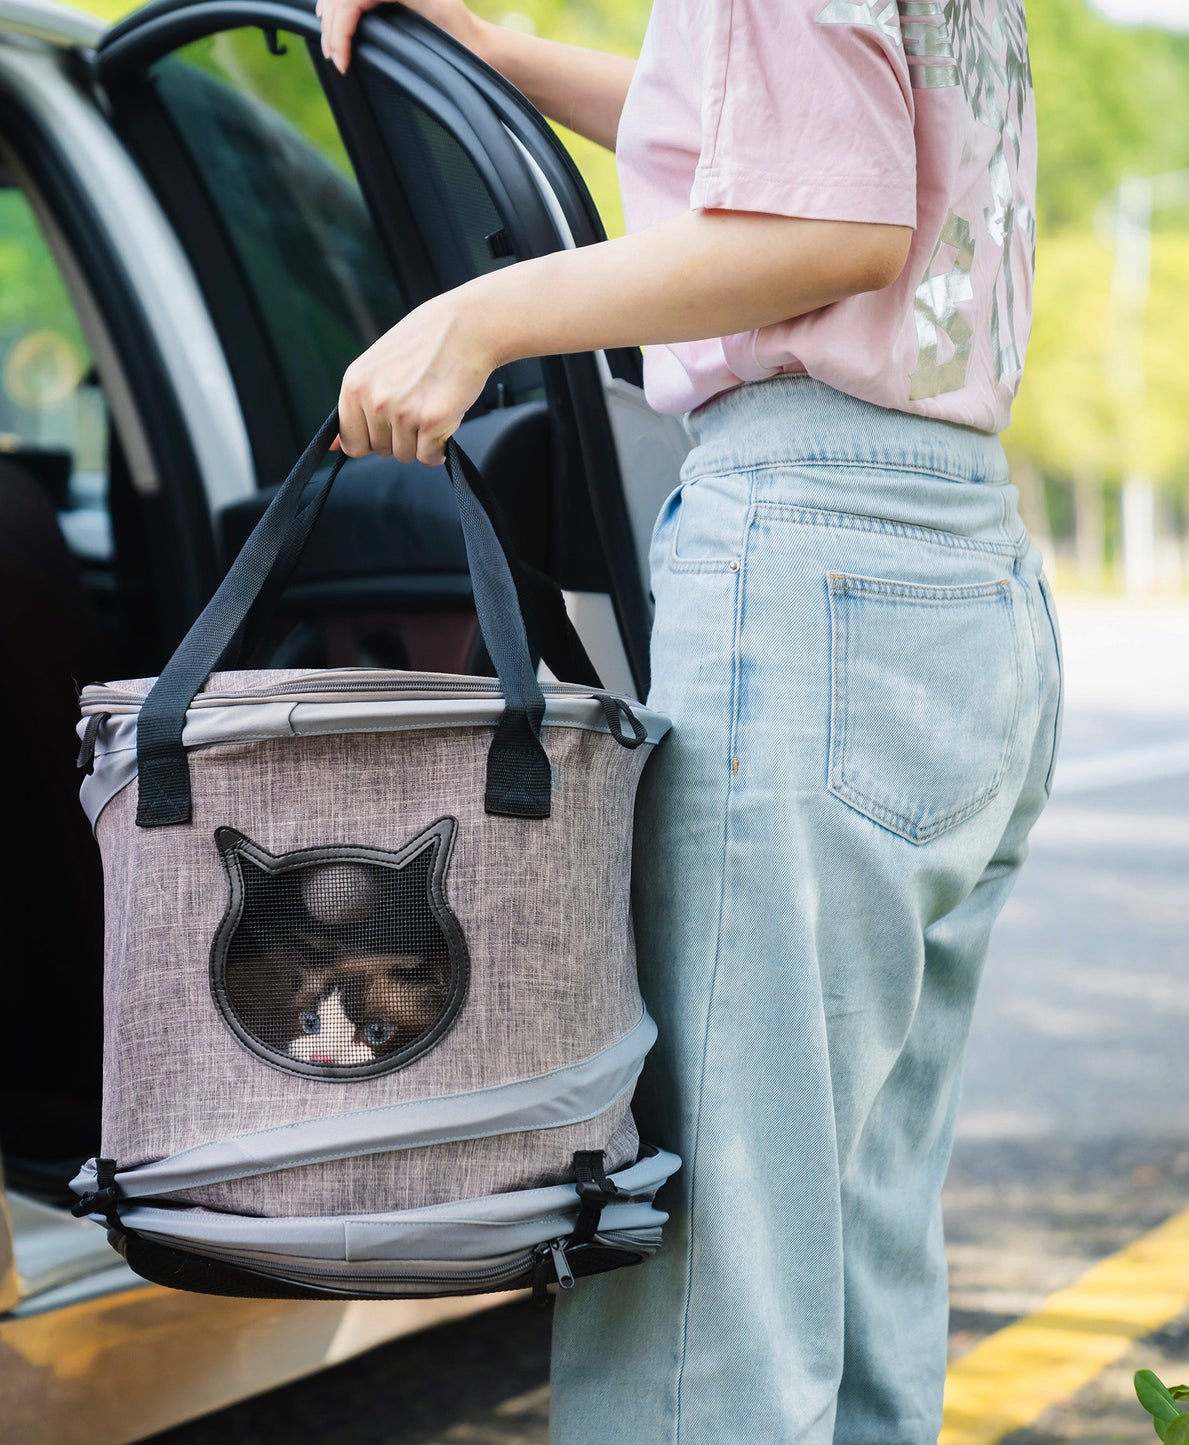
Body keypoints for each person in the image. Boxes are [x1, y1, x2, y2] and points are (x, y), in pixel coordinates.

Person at [316, 0, 1056, 1440]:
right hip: (960, 557)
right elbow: (796, 135)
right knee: (851, 1254)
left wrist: (477, 315)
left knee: (709, 1309)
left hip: (812, 557)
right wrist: (504, 55)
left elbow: (827, 228)